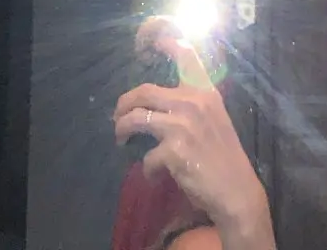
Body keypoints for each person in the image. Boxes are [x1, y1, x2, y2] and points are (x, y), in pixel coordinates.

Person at [112, 20, 277, 250]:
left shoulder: (202, 240)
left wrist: (244, 217)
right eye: (151, 56)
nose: (167, 65)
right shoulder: (138, 180)